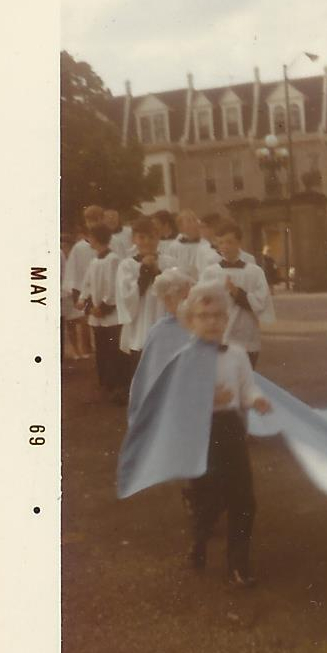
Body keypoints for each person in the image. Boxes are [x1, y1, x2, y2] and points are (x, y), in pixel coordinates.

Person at [117, 282, 272, 588]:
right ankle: (199, 540)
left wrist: (255, 399)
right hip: (198, 433)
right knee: (208, 499)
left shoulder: (237, 354)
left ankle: (237, 566)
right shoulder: (183, 358)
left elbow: (246, 387)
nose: (212, 321)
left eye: (217, 315)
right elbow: (173, 401)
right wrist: (204, 399)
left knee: (243, 498)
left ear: (226, 320)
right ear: (191, 321)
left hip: (229, 429)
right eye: (204, 316)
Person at [199, 220, 275, 369]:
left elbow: (261, 302)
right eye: (220, 243)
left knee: (246, 378)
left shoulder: (254, 272)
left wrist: (237, 293)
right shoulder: (211, 272)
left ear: (239, 243)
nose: (225, 247)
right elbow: (201, 301)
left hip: (246, 333)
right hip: (220, 334)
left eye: (229, 242)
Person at [127, 268, 194, 420]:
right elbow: (151, 370)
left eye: (185, 294)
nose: (168, 302)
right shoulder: (159, 330)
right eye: (166, 299)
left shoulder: (199, 323)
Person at [116, 216, 175, 378]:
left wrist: (156, 271)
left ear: (158, 238)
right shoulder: (127, 265)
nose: (147, 242)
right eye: (142, 237)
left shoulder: (169, 262)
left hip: (163, 319)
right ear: (134, 239)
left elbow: (175, 292)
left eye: (152, 237)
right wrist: (144, 271)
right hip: (140, 325)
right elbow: (126, 297)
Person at [77, 222, 124, 400]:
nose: (89, 240)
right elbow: (87, 282)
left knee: (113, 350)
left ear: (96, 239)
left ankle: (117, 384)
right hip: (96, 314)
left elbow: (113, 286)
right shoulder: (95, 260)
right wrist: (83, 299)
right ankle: (105, 382)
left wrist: (104, 306)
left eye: (91, 237)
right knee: (102, 349)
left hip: (109, 314)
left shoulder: (113, 260)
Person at [62, 230, 93, 360]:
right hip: (65, 292)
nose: (64, 247)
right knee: (70, 325)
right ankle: (75, 351)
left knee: (83, 320)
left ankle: (85, 348)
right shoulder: (61, 255)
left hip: (76, 290)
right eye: (62, 244)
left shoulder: (77, 254)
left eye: (66, 244)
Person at [169, 209, 217, 281]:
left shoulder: (205, 243)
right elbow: (172, 266)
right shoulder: (175, 246)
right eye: (189, 221)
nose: (194, 223)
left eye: (194, 220)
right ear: (181, 227)